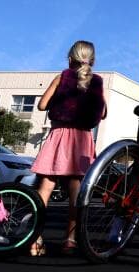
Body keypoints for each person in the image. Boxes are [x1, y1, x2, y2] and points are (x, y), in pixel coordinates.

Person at [31, 40, 107, 256]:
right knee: (76, 196)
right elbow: (101, 113)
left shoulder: (61, 77)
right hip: (82, 140)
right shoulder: (97, 81)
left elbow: (42, 105)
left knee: (43, 192)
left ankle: (34, 240)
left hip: (58, 136)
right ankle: (70, 241)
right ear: (91, 60)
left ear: (70, 57)